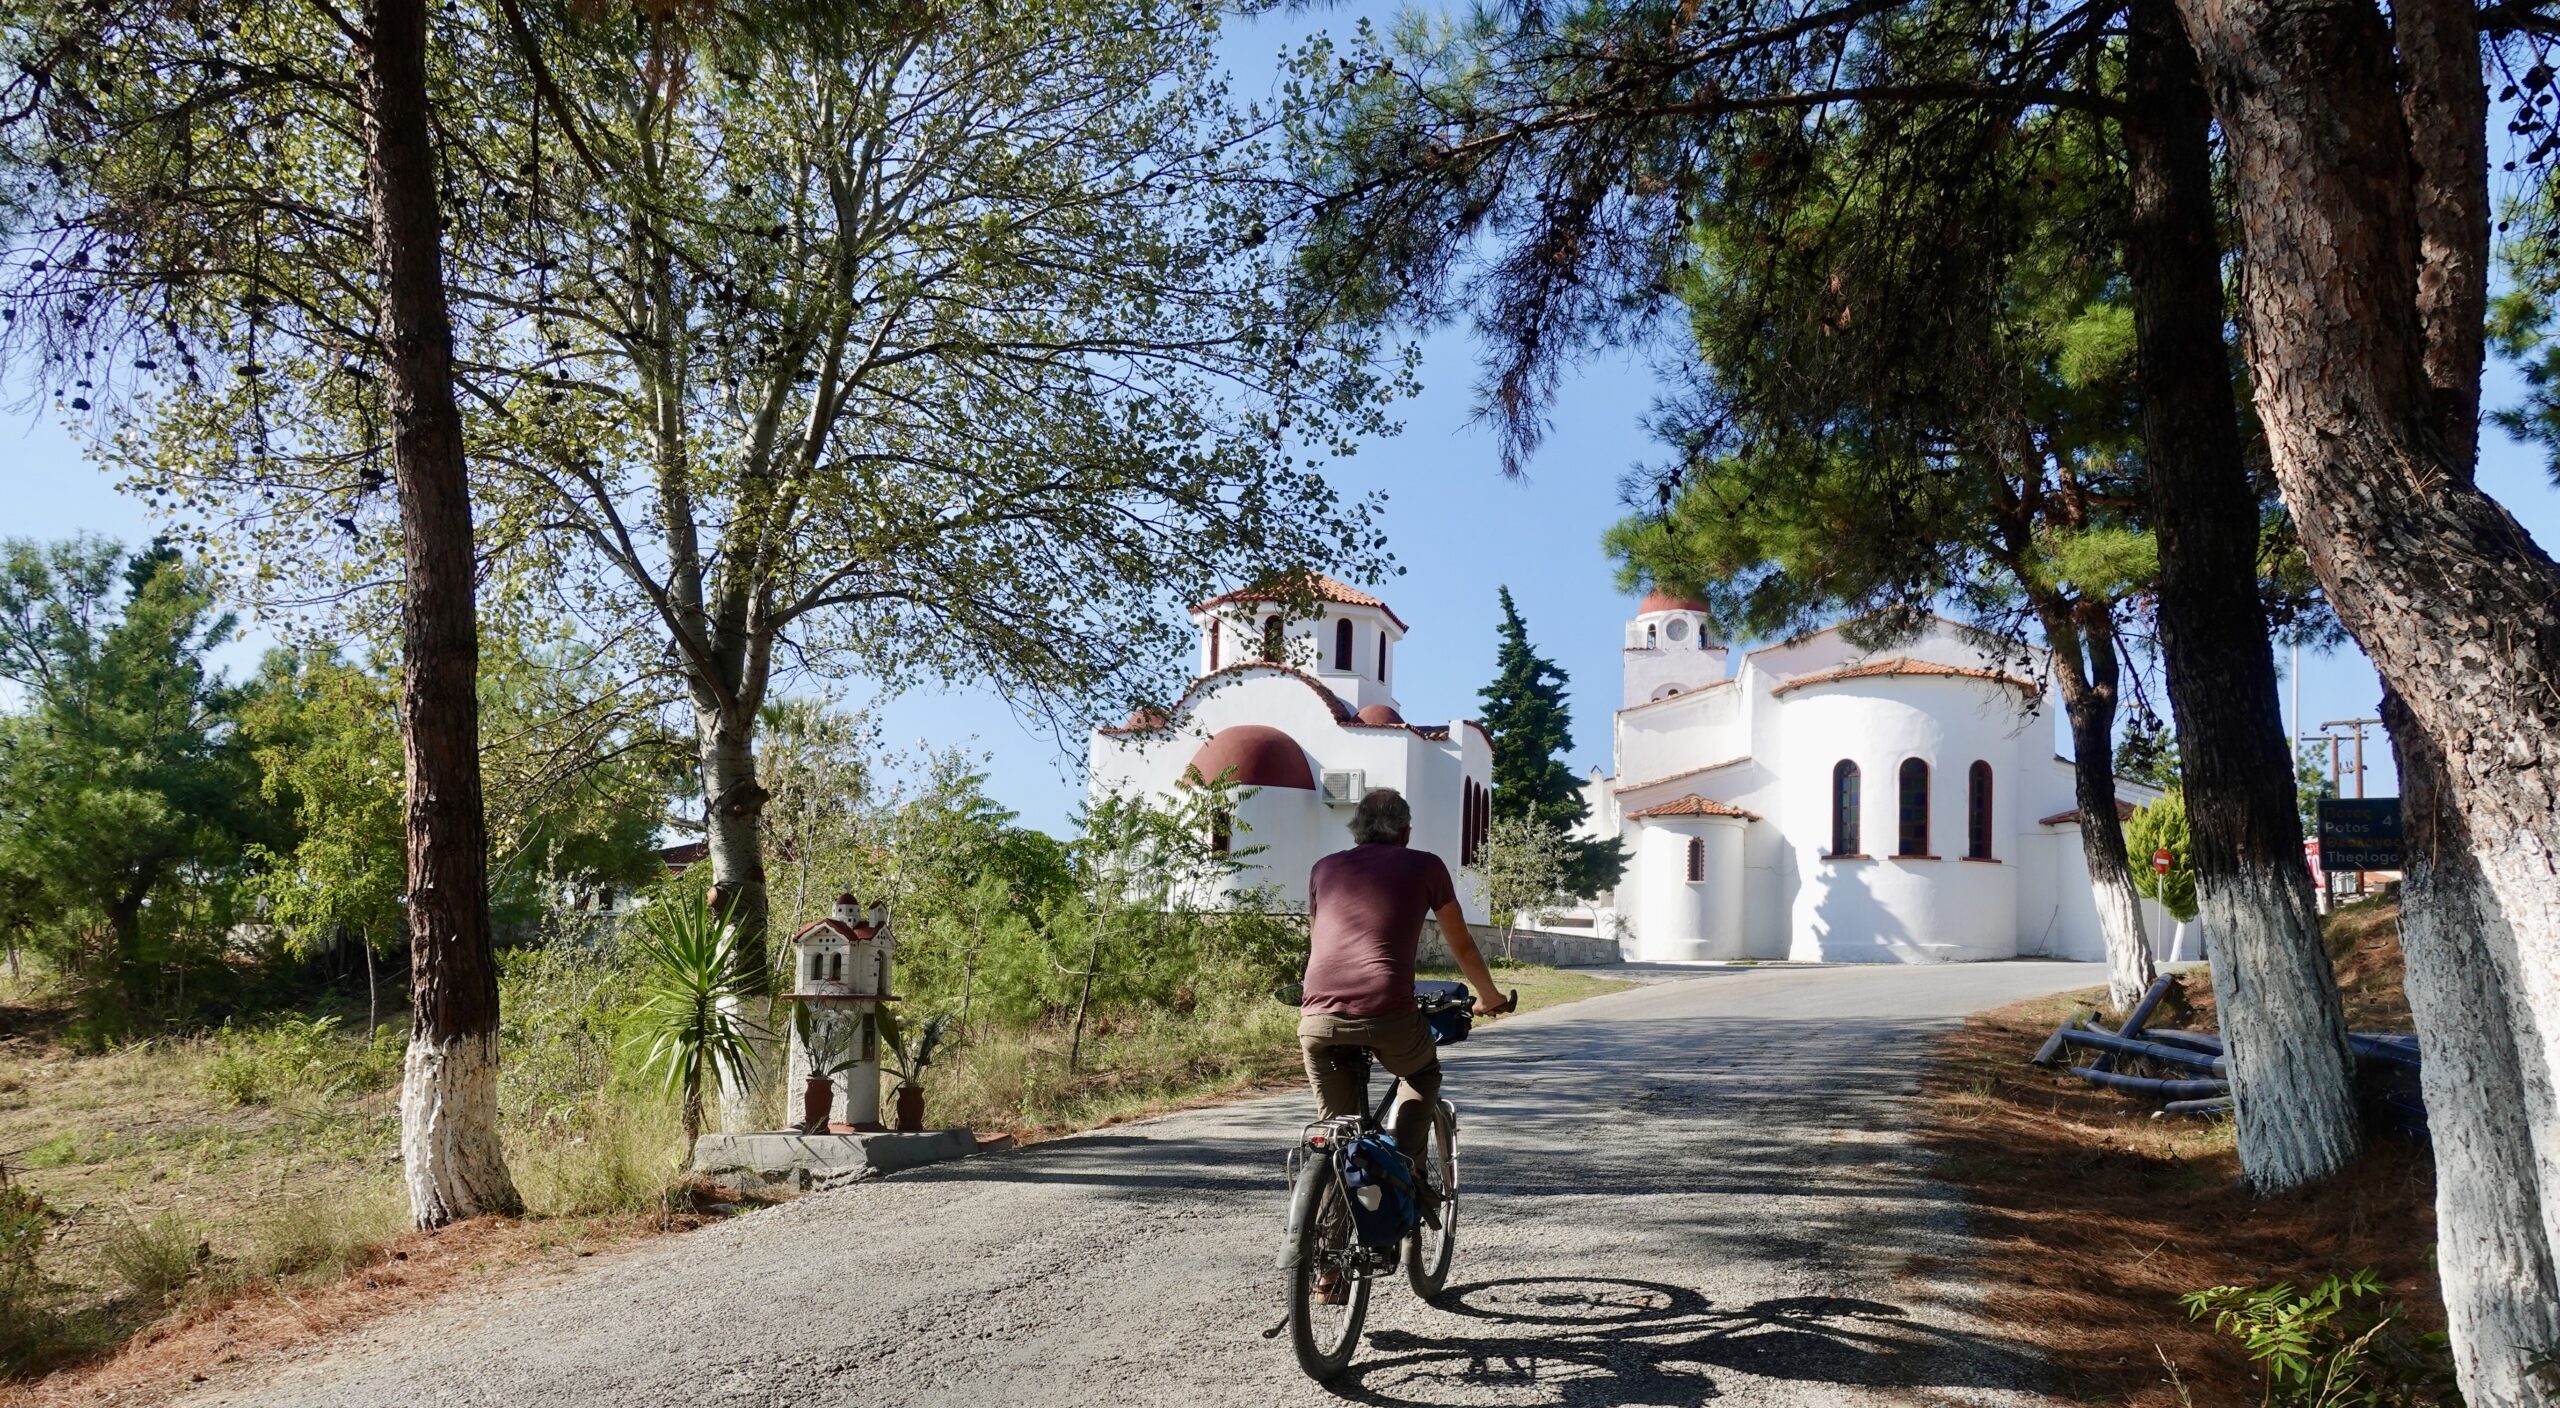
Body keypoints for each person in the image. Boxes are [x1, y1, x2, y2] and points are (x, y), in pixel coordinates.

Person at [1298, 787, 1509, 1165]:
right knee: (1422, 1072)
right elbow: (1461, 946)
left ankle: (1327, 1216)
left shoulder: (1323, 868)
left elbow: (1318, 943)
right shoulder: (1426, 866)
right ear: (1405, 833)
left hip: (1316, 1018)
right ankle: (1408, 1167)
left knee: (1337, 1139)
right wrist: (1488, 995)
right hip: (1385, 1009)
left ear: (1356, 830)